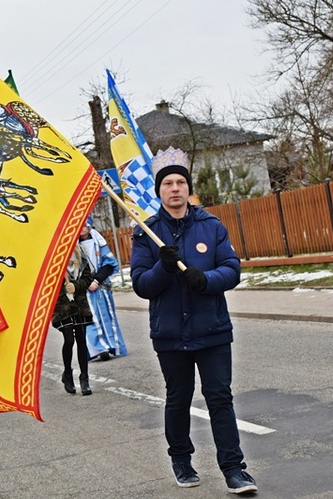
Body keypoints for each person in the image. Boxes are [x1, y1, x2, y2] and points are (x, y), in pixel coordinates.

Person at [129, 146, 257, 494]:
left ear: (188, 188)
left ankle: (234, 469)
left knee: (220, 398)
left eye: (180, 182)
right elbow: (141, 285)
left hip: (212, 329)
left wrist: (206, 281)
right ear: (159, 191)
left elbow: (232, 270)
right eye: (167, 183)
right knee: (179, 397)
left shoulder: (211, 226)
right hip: (170, 333)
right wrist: (162, 266)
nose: (174, 188)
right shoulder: (145, 232)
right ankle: (182, 460)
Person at [79, 216, 127, 360]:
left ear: (89, 226)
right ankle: (98, 349)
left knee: (108, 316)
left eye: (84, 225)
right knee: (90, 318)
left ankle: (112, 345)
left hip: (100, 286)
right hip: (84, 288)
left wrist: (97, 280)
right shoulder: (71, 245)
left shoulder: (98, 241)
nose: (82, 228)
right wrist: (86, 282)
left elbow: (109, 263)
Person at [51, 245, 94, 396]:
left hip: (79, 303)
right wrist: (62, 287)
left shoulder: (79, 252)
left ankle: (84, 378)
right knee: (69, 339)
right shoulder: (51, 254)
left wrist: (75, 286)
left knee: (81, 338)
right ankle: (67, 374)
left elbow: (88, 277)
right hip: (62, 304)